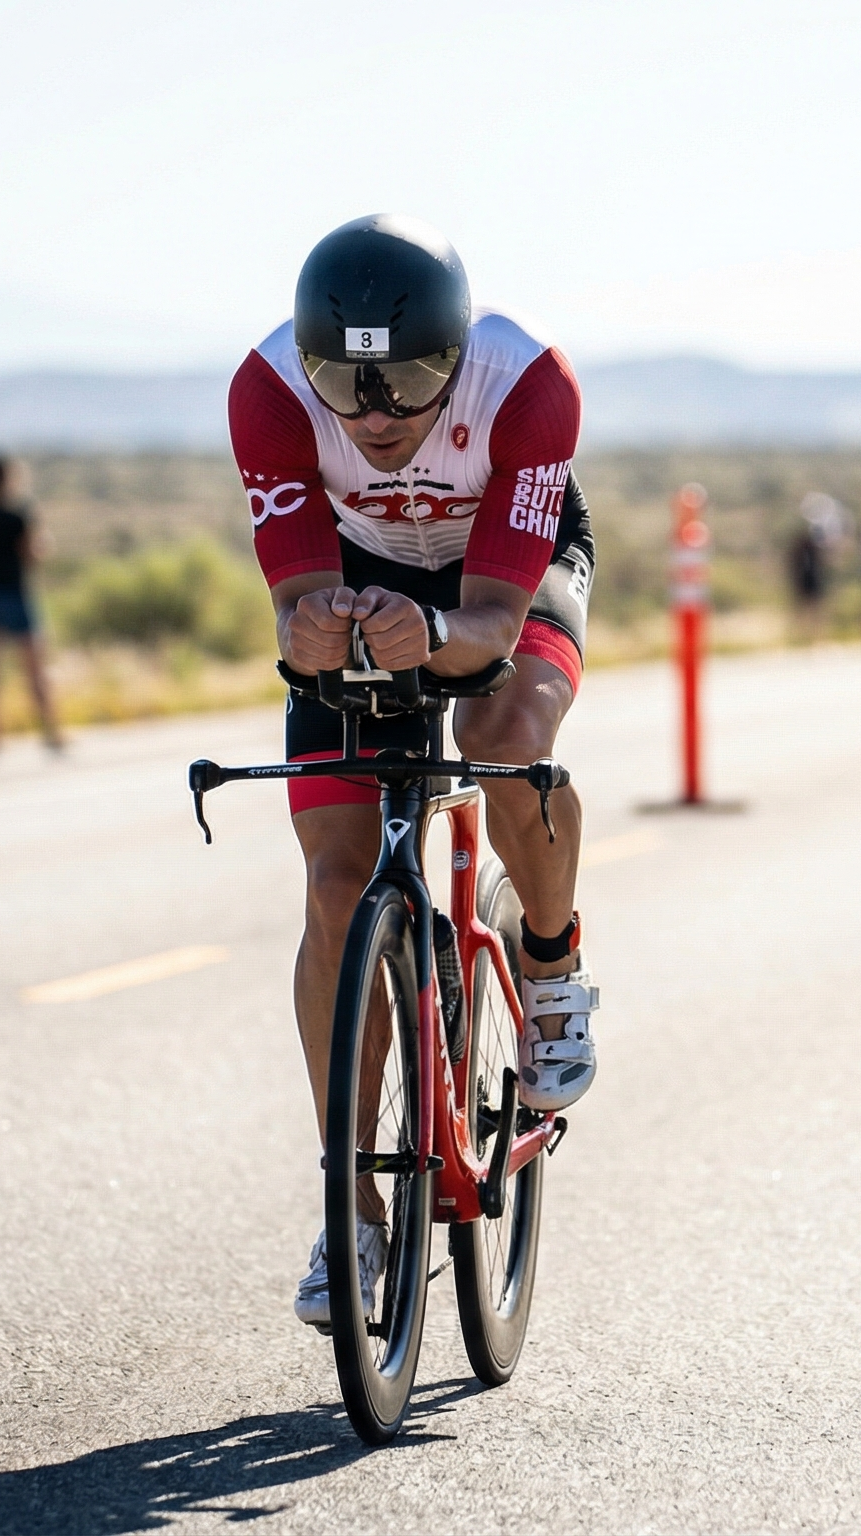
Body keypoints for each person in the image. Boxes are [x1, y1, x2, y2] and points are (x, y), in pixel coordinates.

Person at [228, 214, 601, 1327]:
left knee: (503, 736)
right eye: (347, 385)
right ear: (308, 365)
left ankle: (548, 965)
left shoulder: (529, 385)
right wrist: (314, 630)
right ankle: (353, 1214)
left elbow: (488, 622)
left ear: (457, 360)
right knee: (338, 889)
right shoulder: (265, 394)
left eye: (411, 381)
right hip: (358, 573)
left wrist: (429, 631)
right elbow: (294, 610)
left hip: (506, 570)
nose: (379, 415)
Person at [0, 457, 64, 755]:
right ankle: (50, 730)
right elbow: (31, 554)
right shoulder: (17, 516)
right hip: (12, 593)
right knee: (34, 665)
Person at [785, 493, 833, 644]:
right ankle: (800, 637)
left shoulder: (816, 537)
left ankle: (814, 638)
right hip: (804, 575)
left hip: (813, 575)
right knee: (803, 606)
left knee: (815, 606)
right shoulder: (802, 541)